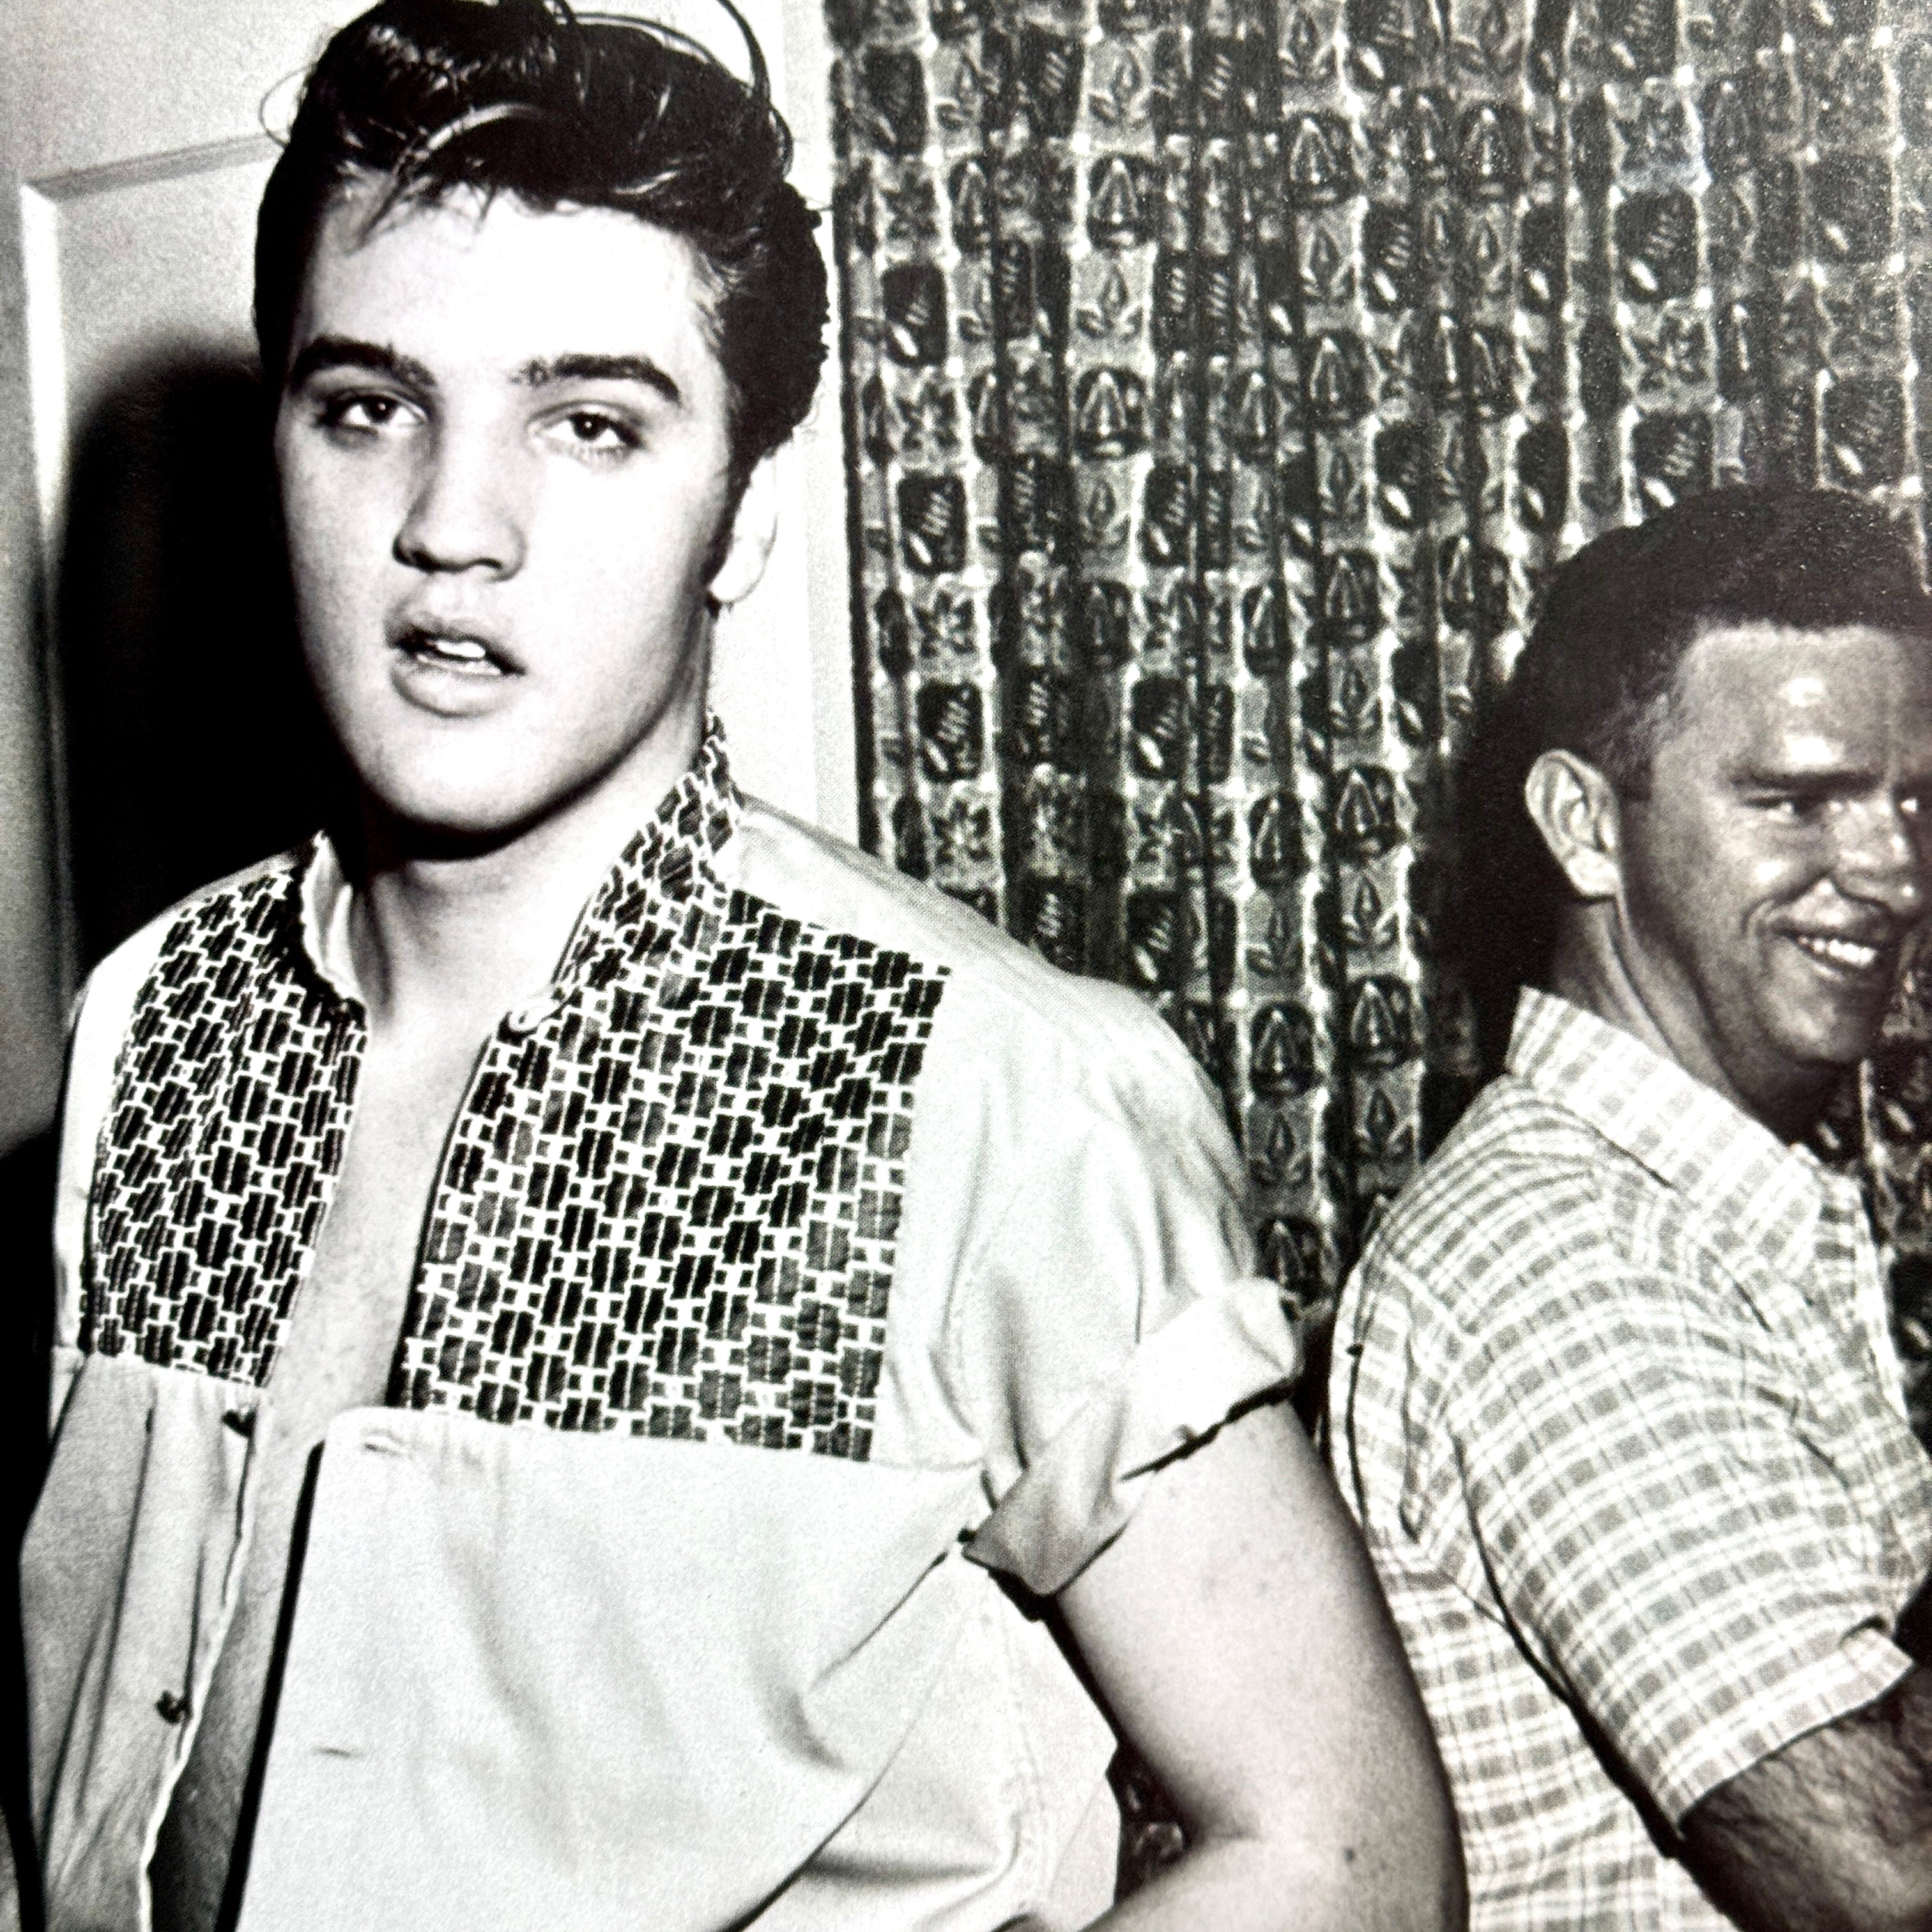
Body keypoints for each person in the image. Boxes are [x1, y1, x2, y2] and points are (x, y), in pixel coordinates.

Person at [19, 3, 1463, 1928]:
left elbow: (1350, 1864)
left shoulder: (997, 1094)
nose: (451, 527)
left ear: (748, 512)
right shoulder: (154, 1024)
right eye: (366, 406)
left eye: (590, 424)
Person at [1330, 485, 1932, 1930]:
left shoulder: (1705, 1209)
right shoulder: (1566, 1261)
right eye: (1795, 802)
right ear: (1584, 828)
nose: (1895, 873)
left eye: (1914, 802)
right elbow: (1880, 1873)